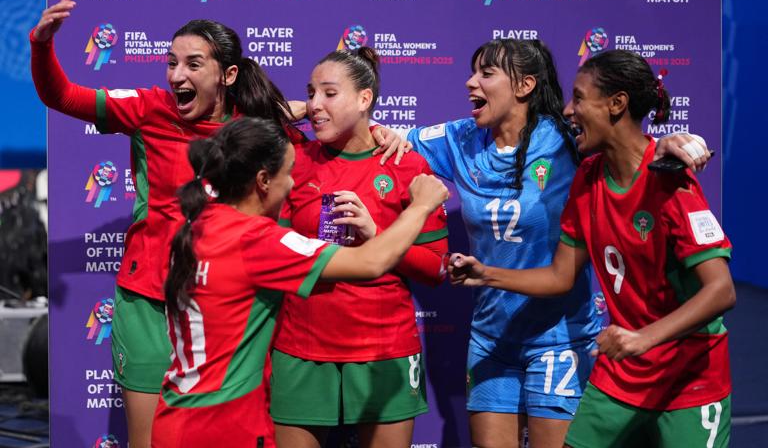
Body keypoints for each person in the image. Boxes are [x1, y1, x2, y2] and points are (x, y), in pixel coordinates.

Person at [31, 0, 415, 448]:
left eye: (193, 64)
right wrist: (42, 45)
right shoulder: (148, 108)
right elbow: (62, 94)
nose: (177, 76)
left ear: (227, 74)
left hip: (232, 303)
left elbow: (324, 114)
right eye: (171, 63)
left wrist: (377, 128)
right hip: (152, 299)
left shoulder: (252, 124)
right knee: (151, 440)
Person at [369, 38, 714, 448]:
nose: (469, 83)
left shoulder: (567, 140)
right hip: (490, 337)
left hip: (559, 339)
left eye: (486, 73)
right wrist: (306, 110)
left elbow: (623, 140)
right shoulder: (460, 139)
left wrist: (673, 139)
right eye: (472, 71)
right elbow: (382, 138)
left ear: (525, 86)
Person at [151, 117, 449, 448]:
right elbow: (371, 262)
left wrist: (371, 126)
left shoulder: (196, 227)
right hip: (227, 426)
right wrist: (420, 206)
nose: (293, 184)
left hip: (175, 418)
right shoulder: (258, 243)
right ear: (263, 180)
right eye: (288, 174)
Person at [270, 47, 449, 448]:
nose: (316, 104)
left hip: (384, 348)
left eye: (329, 93)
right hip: (300, 346)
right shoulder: (294, 158)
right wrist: (305, 109)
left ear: (365, 98)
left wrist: (378, 235)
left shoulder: (407, 166)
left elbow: (438, 270)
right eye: (310, 92)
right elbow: (244, 119)